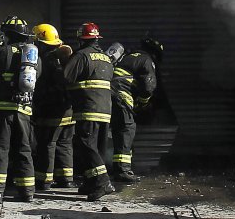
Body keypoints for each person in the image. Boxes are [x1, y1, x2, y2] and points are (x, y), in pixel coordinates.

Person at [0, 14, 42, 204]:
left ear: (7, 34)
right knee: (24, 150)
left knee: (0, 149)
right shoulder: (34, 57)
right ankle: (27, 192)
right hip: (24, 110)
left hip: (1, 110)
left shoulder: (1, 52)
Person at [63, 21, 115, 202]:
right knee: (97, 148)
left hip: (88, 108)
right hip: (105, 110)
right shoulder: (106, 58)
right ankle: (90, 181)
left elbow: (66, 78)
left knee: (85, 144)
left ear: (81, 39)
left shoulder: (81, 56)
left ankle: (102, 181)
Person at [108, 34, 161, 183]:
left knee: (114, 130)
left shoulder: (127, 56)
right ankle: (122, 171)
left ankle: (110, 167)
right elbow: (148, 87)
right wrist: (143, 103)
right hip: (120, 95)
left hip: (104, 95)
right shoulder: (147, 60)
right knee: (126, 129)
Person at [31, 22, 75, 191]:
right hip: (68, 109)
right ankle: (66, 179)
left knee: (47, 144)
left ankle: (44, 180)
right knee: (64, 143)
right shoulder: (64, 57)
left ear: (40, 42)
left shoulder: (43, 60)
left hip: (50, 110)